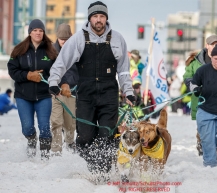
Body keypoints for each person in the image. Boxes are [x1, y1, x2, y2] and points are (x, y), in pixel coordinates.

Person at [48, 1, 135, 174]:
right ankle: (93, 166)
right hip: (86, 94)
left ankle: (102, 171)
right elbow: (62, 62)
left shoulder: (117, 39)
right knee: (85, 136)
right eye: (95, 16)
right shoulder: (78, 39)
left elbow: (124, 71)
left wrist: (129, 92)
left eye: (102, 16)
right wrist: (53, 81)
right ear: (90, 19)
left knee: (107, 134)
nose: (98, 20)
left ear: (106, 18)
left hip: (109, 94)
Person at [7, 19, 58, 160]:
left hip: (43, 95)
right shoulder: (19, 50)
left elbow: (57, 70)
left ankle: (45, 158)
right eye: (35, 30)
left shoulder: (51, 51)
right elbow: (12, 70)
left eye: (40, 30)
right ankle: (31, 140)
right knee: (27, 127)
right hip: (23, 96)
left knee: (45, 128)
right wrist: (28, 75)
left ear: (43, 33)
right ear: (30, 32)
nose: (38, 33)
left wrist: (57, 83)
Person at [183, 35, 217, 156]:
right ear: (207, 46)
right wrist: (194, 86)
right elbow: (187, 77)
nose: (215, 46)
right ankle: (202, 142)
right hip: (201, 100)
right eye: (212, 44)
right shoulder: (195, 62)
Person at [50, 23, 78, 155]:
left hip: (71, 93)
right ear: (57, 38)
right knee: (56, 121)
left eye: (66, 40)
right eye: (62, 40)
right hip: (55, 93)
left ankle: (70, 143)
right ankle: (56, 150)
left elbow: (77, 72)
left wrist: (68, 83)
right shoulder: (50, 51)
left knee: (70, 124)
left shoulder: (76, 50)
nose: (64, 42)